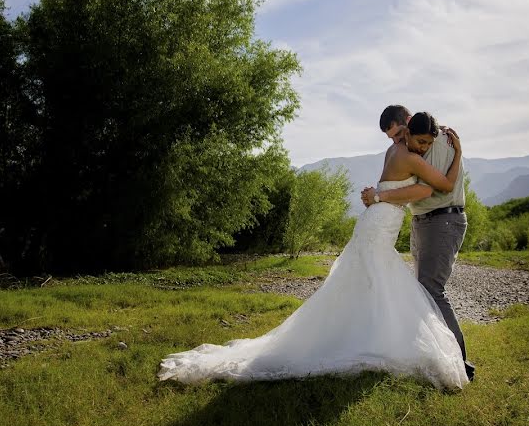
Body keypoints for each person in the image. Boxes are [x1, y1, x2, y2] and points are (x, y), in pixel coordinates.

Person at [157, 114, 469, 389]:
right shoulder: (410, 155)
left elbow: (398, 186)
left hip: (377, 223)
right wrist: (459, 156)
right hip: (379, 225)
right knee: (381, 280)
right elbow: (436, 186)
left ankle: (366, 335)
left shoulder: (396, 150)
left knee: (370, 282)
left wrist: (378, 195)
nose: (423, 147)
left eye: (426, 142)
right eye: (419, 141)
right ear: (408, 132)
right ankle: (375, 341)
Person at [362, 105, 475, 381]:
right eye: (393, 138)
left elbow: (434, 187)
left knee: (432, 290)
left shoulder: (436, 141)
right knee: (421, 290)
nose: (398, 140)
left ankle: (459, 361)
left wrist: (378, 196)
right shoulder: (409, 147)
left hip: (443, 220)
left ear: (409, 125)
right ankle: (430, 352)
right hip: (423, 220)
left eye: (400, 133)